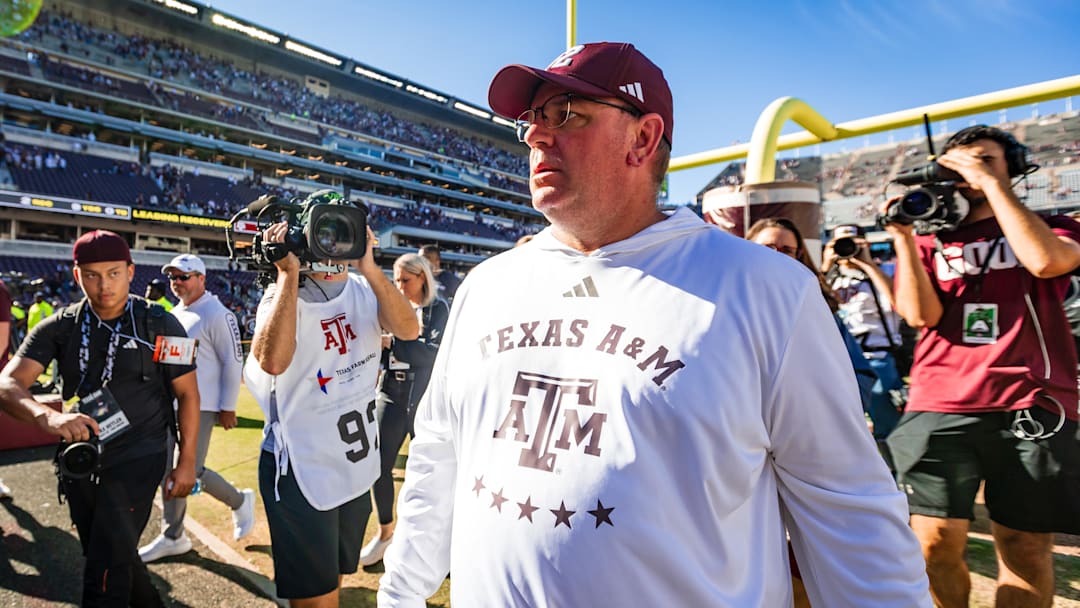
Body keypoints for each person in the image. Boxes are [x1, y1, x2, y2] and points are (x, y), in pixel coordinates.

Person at [378, 42, 930, 607]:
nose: (538, 136)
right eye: (532, 120)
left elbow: (849, 511)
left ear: (643, 138)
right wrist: (398, 593)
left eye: (566, 113)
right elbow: (439, 453)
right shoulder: (488, 284)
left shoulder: (767, 289)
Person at [882, 125, 1080, 608]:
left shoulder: (1053, 224)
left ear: (1014, 166)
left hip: (1031, 401)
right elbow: (918, 316)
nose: (969, 171)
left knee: (1025, 547)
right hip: (939, 399)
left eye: (985, 159)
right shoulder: (933, 238)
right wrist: (905, 239)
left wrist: (991, 184)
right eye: (958, 164)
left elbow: (1046, 261)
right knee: (931, 542)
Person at [0, 229, 200, 607]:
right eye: (92, 274)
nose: (104, 285)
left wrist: (187, 462)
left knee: (104, 572)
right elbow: (7, 384)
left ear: (130, 271)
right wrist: (48, 418)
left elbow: (188, 394)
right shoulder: (60, 326)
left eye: (113, 273)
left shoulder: (162, 323)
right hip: (81, 459)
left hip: (141, 456)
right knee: (108, 552)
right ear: (77, 276)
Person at [244, 192, 419, 607]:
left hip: (354, 466)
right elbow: (271, 361)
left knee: (335, 579)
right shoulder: (284, 295)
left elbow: (409, 329)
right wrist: (287, 274)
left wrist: (370, 267)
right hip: (304, 470)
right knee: (317, 599)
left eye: (343, 229)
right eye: (325, 229)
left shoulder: (364, 288)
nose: (335, 240)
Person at [140, 253, 256, 563]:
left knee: (191, 469)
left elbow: (233, 361)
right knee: (170, 469)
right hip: (171, 404)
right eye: (173, 278)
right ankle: (173, 535)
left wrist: (228, 406)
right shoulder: (176, 313)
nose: (177, 283)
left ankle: (238, 501)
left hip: (201, 405)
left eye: (184, 276)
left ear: (201, 279)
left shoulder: (217, 314)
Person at [358, 253, 449, 566]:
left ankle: (433, 545)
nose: (399, 287)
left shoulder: (439, 308)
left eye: (405, 280)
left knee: (430, 475)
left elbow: (431, 356)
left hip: (424, 399)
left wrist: (393, 342)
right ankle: (386, 534)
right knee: (377, 467)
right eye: (395, 280)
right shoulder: (391, 306)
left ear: (422, 277)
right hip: (391, 395)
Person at [746, 218, 877, 414]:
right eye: (768, 247)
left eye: (786, 250)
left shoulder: (818, 309)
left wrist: (828, 411)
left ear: (798, 255)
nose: (776, 256)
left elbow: (859, 376)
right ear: (747, 250)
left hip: (807, 426)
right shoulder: (726, 304)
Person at [823, 224, 905, 440]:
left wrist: (867, 264)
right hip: (839, 359)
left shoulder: (883, 272)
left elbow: (899, 303)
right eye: (839, 243)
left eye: (852, 243)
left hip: (877, 358)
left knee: (888, 428)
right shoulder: (829, 277)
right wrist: (826, 264)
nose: (846, 249)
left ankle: (891, 470)